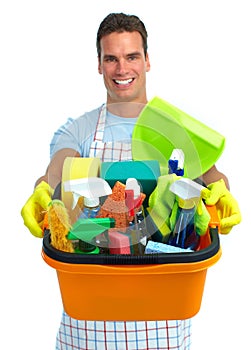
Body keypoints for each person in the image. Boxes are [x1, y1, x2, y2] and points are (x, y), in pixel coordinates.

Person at [21, 12, 241, 350]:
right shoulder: (78, 128)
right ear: (99, 64)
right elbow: (59, 166)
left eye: (132, 56)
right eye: (111, 58)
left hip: (163, 325)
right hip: (88, 329)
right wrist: (42, 188)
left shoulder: (173, 128)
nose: (122, 69)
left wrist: (221, 189)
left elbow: (208, 173)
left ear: (148, 61)